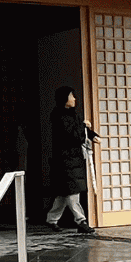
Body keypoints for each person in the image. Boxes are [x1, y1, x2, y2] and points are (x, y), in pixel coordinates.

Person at [46, 86, 98, 233]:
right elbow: (71, 135)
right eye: (71, 96)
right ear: (64, 98)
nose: (74, 98)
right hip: (65, 160)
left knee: (63, 194)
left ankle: (51, 220)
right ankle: (81, 221)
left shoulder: (73, 114)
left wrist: (92, 135)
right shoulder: (58, 116)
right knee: (73, 192)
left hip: (73, 159)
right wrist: (83, 126)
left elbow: (79, 130)